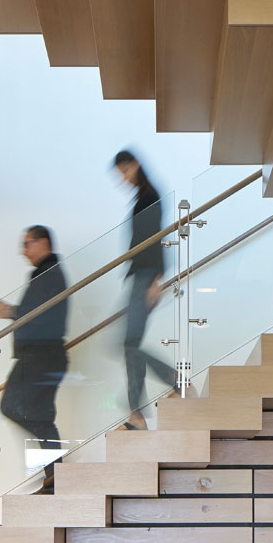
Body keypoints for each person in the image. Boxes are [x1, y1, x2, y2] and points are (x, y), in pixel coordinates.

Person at [0, 225, 68, 494]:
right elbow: (37, 313)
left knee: (13, 406)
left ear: (43, 242)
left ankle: (58, 476)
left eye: (27, 244)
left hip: (41, 356)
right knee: (40, 416)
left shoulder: (50, 274)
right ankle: (57, 478)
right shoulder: (46, 273)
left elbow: (39, 313)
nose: (23, 252)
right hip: (45, 356)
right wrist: (12, 312)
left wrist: (9, 310)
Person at [112, 150, 168, 431]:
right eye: (120, 174)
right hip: (139, 276)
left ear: (135, 165)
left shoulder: (149, 197)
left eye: (125, 171)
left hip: (144, 277)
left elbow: (157, 238)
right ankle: (137, 413)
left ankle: (172, 382)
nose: (123, 178)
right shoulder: (143, 197)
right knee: (129, 345)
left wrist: (155, 280)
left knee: (127, 345)